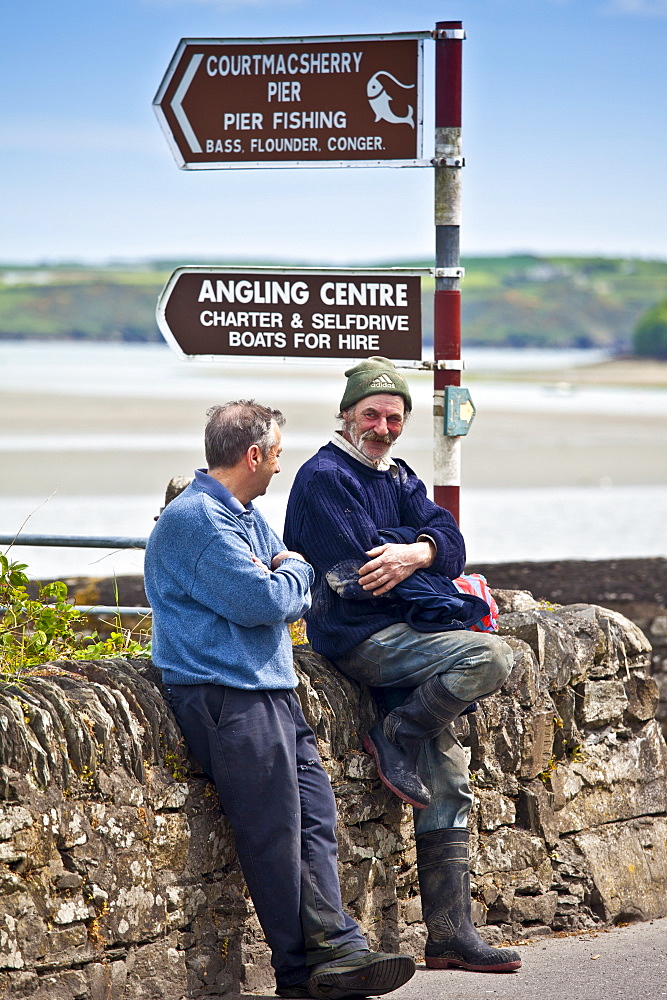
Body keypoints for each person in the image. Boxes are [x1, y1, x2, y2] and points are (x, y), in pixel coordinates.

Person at [144, 400, 416, 1000]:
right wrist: (291, 569)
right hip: (225, 695)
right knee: (271, 834)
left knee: (315, 820)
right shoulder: (196, 522)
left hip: (272, 689)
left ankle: (335, 949)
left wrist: (284, 569)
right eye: (276, 455)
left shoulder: (243, 513)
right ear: (253, 455)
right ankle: (300, 972)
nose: (278, 466)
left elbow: (282, 574)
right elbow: (270, 599)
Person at [284, 359, 522, 974]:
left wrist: (417, 549)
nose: (383, 426)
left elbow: (449, 538)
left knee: (449, 781)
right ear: (346, 414)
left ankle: (448, 937)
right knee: (490, 653)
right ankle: (395, 732)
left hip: (410, 637)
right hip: (360, 639)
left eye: (394, 416)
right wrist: (424, 562)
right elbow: (360, 577)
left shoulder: (401, 473)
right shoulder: (324, 478)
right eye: (371, 414)